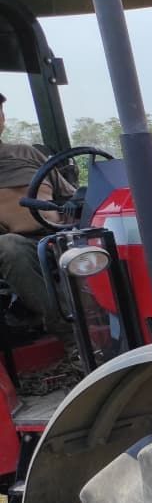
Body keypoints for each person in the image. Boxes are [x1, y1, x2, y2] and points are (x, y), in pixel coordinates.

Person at [0, 92, 73, 334]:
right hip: (17, 242)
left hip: (60, 232)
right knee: (9, 246)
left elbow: (68, 194)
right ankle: (68, 329)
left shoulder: (26, 153)